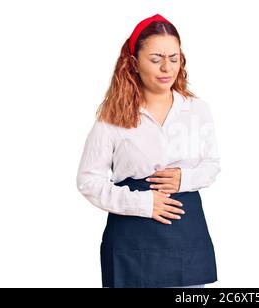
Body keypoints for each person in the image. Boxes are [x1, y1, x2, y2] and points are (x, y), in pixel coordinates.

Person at [76, 13, 221, 288]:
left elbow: (212, 165)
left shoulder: (197, 110)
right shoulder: (111, 118)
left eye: (174, 58)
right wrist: (143, 203)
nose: (167, 68)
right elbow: (88, 181)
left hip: (186, 238)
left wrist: (185, 179)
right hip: (132, 241)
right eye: (156, 59)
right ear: (134, 63)